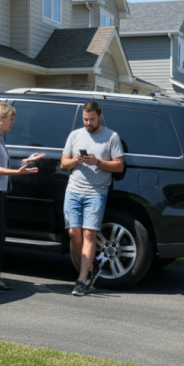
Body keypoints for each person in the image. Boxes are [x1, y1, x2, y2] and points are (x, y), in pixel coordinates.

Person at [0, 102, 44, 295]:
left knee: (0, 236)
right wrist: (18, 173)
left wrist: (25, 161)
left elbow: (1, 162)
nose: (13, 122)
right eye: (11, 118)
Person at [60, 100, 124, 296]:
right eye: (85, 119)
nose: (88, 123)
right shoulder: (75, 135)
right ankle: (91, 266)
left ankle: (82, 279)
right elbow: (63, 163)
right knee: (73, 232)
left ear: (100, 117)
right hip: (73, 190)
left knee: (89, 234)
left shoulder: (111, 137)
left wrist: (98, 162)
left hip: (96, 192)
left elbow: (119, 166)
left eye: (92, 119)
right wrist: (75, 160)